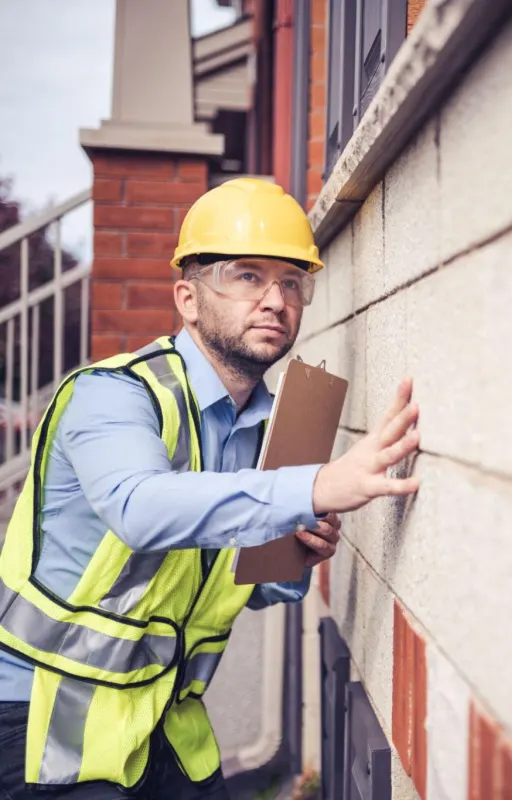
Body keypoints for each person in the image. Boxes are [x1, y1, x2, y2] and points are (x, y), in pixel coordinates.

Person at [0, 178, 420, 799]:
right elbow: (140, 510)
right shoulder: (112, 395)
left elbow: (233, 582)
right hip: (49, 721)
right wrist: (314, 486)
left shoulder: (266, 423)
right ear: (188, 299)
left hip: (164, 719)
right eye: (246, 276)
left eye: (290, 281)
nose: (275, 300)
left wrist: (292, 554)